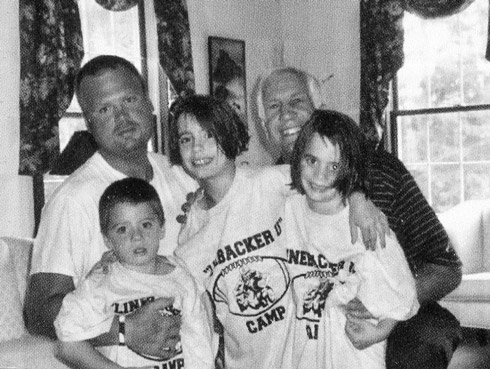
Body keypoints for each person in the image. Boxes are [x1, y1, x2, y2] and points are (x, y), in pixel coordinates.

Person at [257, 66, 463, 369]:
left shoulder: (382, 170)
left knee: (412, 352)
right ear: (264, 125)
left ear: (319, 109)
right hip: (320, 316)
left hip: (406, 313)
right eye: (274, 107)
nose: (286, 115)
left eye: (296, 102)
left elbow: (447, 269)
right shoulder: (271, 189)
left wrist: (377, 303)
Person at [169, 95, 387, 369]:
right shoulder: (190, 232)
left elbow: (333, 174)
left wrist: (358, 197)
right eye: (186, 139)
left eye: (209, 135)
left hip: (312, 354)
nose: (198, 148)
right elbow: (206, 315)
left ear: (228, 134)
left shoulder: (274, 181)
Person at [24, 55, 197, 359]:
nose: (122, 117)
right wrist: (123, 330)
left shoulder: (181, 175)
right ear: (89, 124)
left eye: (129, 100)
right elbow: (38, 312)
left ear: (150, 104)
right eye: (105, 109)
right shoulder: (72, 199)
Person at [282, 110, 419, 369]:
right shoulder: (289, 208)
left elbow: (406, 293)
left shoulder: (366, 223)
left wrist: (382, 331)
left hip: (354, 354)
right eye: (312, 161)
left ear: (349, 169)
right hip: (306, 353)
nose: (320, 177)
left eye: (333, 166)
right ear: (298, 157)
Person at [54, 177, 214, 369]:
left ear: (162, 228)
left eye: (146, 224)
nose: (136, 236)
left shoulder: (181, 276)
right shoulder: (100, 281)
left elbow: (200, 346)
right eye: (122, 229)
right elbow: (66, 339)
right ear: (107, 240)